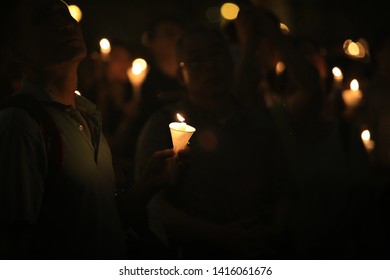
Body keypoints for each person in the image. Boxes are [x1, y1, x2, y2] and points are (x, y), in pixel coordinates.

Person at [0, 0, 184, 260]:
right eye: (43, 18)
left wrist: (148, 184)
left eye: (64, 14)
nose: (64, 24)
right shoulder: (21, 125)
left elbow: (101, 223)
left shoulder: (86, 115)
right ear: (14, 50)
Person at [135, 24, 293, 259]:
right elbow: (151, 203)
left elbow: (285, 187)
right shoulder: (163, 126)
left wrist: (270, 234)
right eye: (196, 61)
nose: (210, 66)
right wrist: (217, 234)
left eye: (217, 54)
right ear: (181, 74)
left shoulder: (259, 120)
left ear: (231, 60)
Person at [233, 4, 374, 259]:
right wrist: (256, 38)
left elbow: (363, 199)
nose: (309, 63)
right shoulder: (277, 121)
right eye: (299, 58)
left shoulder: (346, 132)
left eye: (314, 54)